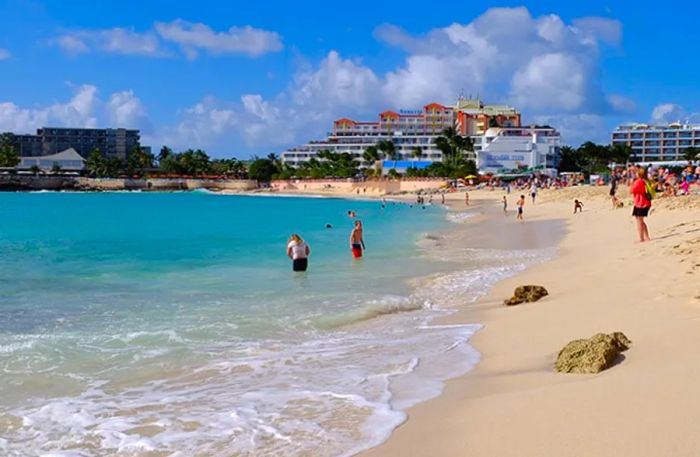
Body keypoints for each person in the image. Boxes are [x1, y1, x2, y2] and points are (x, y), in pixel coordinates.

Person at [630, 167, 652, 242]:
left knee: (639, 221)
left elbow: (632, 190)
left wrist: (631, 182)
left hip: (640, 203)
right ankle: (646, 237)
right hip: (645, 202)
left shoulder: (639, 181)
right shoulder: (645, 181)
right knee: (640, 220)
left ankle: (641, 238)